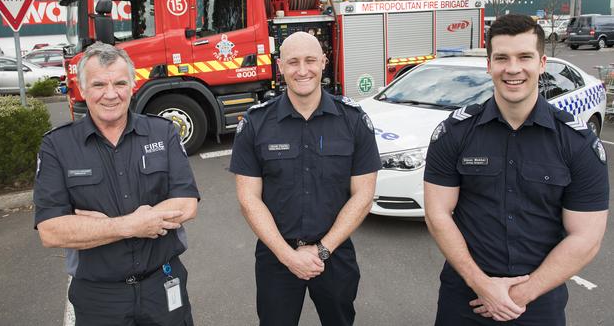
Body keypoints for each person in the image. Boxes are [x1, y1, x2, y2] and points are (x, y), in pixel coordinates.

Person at [424, 14, 609, 325]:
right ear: (489, 65)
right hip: (465, 297)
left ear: (542, 63)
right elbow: (437, 214)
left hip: (538, 303)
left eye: (524, 56)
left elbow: (586, 237)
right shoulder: (455, 133)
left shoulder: (577, 143)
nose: (512, 68)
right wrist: (482, 285)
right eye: (501, 58)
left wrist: (520, 294)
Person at [33, 42, 199, 326]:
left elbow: (186, 204)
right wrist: (129, 225)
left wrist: (95, 227)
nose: (111, 94)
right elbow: (51, 231)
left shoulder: (163, 132)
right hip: (98, 296)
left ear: (133, 86)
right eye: (99, 84)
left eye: (120, 83)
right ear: (82, 89)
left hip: (163, 284)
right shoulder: (56, 146)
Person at [229, 31, 381, 326]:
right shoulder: (255, 123)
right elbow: (249, 200)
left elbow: (363, 196)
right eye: (293, 62)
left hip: (335, 253)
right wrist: (288, 256)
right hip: (277, 254)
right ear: (280, 67)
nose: (302, 70)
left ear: (324, 62)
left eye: (310, 60)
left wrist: (322, 250)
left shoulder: (353, 120)